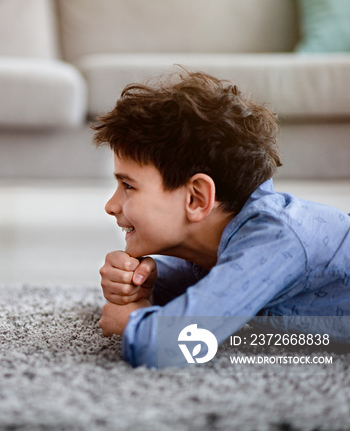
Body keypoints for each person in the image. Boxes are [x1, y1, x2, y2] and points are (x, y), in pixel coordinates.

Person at [92, 70, 350, 368]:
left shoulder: (276, 236)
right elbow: (207, 283)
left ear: (197, 198)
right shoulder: (230, 238)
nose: (111, 206)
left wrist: (131, 323)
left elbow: (172, 344)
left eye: (128, 186)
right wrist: (145, 281)